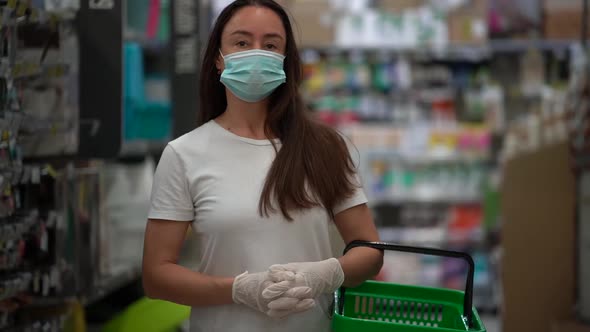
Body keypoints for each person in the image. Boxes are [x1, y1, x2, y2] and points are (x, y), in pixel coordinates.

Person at [141, 0, 383, 331]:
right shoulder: (184, 154)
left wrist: (327, 274)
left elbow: (370, 251)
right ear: (217, 57)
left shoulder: (326, 148)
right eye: (242, 42)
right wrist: (239, 290)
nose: (256, 53)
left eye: (270, 45)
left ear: (285, 60)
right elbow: (157, 277)